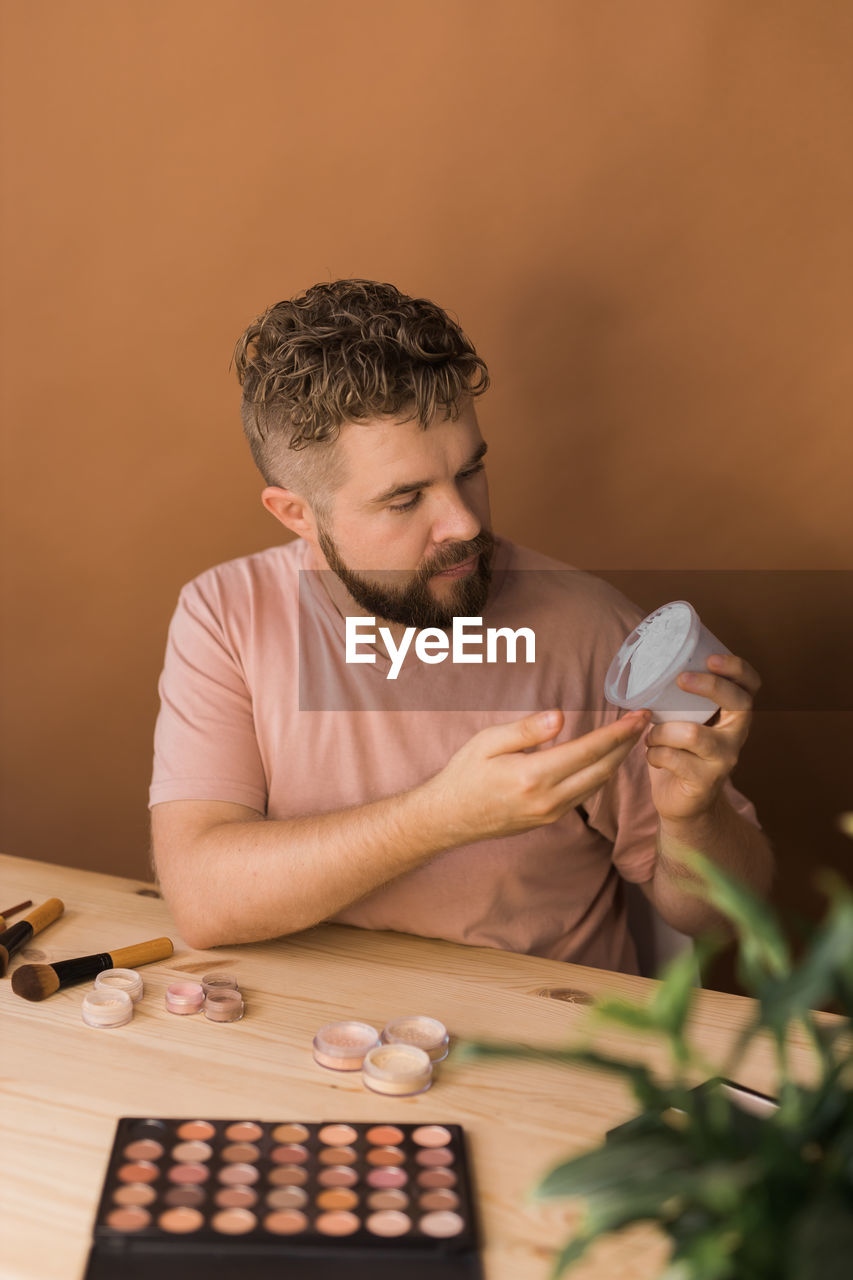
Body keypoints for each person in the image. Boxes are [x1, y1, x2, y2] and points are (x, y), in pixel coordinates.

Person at [150, 279, 773, 971]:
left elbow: (719, 918)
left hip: (542, 1044)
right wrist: (442, 817)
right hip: (314, 1033)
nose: (466, 524)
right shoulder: (228, 614)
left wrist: (693, 818)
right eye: (406, 498)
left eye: (469, 470)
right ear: (296, 513)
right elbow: (203, 896)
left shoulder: (589, 628)